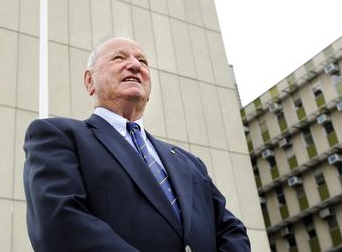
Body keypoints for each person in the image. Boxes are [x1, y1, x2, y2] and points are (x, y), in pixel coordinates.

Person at [23, 36, 251, 252]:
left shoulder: (188, 162)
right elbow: (60, 225)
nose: (135, 65)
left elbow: (230, 230)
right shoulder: (59, 137)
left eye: (142, 61)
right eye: (118, 58)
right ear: (89, 80)